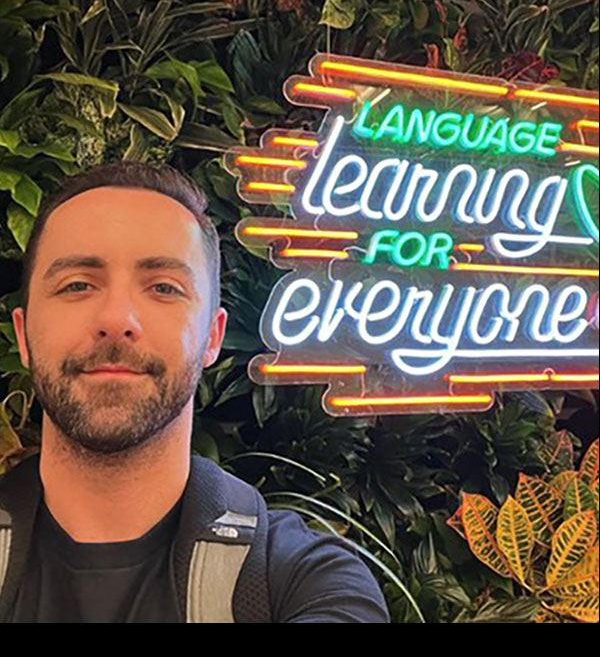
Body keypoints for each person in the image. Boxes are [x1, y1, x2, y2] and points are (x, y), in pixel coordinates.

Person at [0, 160, 391, 623]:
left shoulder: (307, 583)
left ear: (212, 338)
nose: (117, 319)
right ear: (23, 336)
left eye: (163, 287)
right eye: (78, 284)